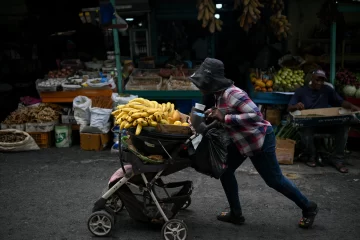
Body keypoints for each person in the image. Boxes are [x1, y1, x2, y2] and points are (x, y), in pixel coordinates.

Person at [189, 58, 318, 228]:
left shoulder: (233, 93)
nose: (201, 87)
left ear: (211, 82)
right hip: (242, 141)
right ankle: (236, 214)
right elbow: (226, 113)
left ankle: (308, 207)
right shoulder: (218, 95)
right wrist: (213, 114)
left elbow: (256, 116)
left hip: (260, 140)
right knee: (225, 171)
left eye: (203, 83)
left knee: (274, 180)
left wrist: (225, 117)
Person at [287, 69, 360, 173]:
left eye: (322, 80)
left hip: (326, 122)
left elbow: (340, 102)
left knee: (343, 127)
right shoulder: (301, 91)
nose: (319, 83)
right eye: (317, 80)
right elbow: (289, 108)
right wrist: (296, 106)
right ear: (312, 78)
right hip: (310, 123)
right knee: (305, 130)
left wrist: (352, 106)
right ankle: (311, 155)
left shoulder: (327, 90)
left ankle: (337, 159)